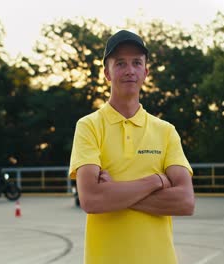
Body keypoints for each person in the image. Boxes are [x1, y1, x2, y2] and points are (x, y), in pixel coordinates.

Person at [69, 30, 195, 264]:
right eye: (120, 63)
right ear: (107, 73)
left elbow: (186, 202)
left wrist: (115, 192)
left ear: (145, 72)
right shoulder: (89, 127)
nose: (129, 70)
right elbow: (91, 200)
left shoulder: (166, 131)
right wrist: (155, 182)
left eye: (137, 62)